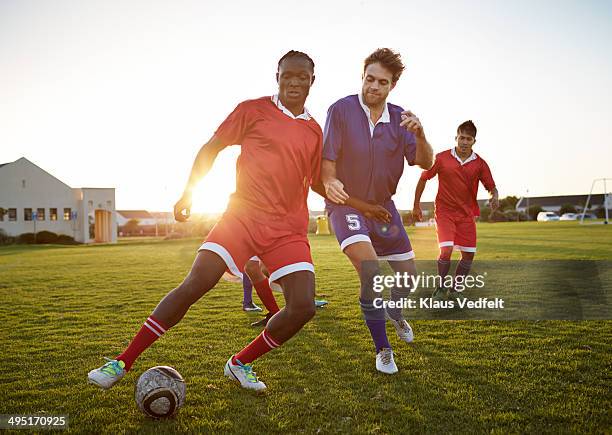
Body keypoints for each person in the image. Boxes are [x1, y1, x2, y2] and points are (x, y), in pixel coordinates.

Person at [88, 50, 389, 392]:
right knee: (197, 282)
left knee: (303, 306)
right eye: (287, 75)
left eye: (301, 76)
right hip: (242, 217)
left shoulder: (313, 131)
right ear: (277, 76)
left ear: (312, 81)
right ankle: (121, 362)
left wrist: (363, 205)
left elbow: (319, 182)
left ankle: (240, 362)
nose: (294, 82)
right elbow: (212, 147)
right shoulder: (252, 110)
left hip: (287, 229)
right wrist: (189, 192)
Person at [321, 48, 434, 374]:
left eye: (381, 82)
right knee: (370, 271)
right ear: (363, 76)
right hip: (347, 206)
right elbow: (327, 163)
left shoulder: (401, 120)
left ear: (392, 85)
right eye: (369, 78)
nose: (373, 86)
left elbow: (426, 162)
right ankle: (383, 350)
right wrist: (330, 182)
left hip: (385, 209)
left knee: (408, 277)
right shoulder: (340, 110)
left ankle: (395, 313)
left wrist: (421, 134)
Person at [413, 120, 498, 301]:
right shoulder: (442, 158)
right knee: (446, 250)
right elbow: (423, 178)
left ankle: (456, 288)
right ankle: (441, 286)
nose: (464, 142)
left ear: (474, 141)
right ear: (456, 138)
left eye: (468, 139)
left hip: (466, 215)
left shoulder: (480, 164)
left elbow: (491, 186)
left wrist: (494, 196)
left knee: (469, 254)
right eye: (461, 138)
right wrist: (416, 204)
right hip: (444, 212)